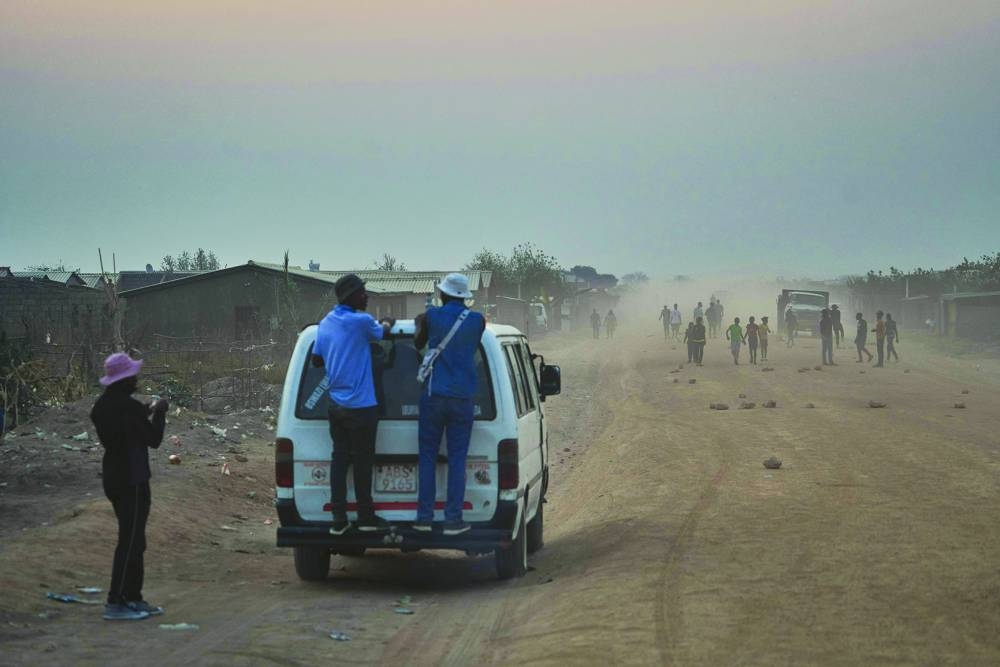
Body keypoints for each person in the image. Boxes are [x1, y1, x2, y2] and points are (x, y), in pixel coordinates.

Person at [312, 274, 395, 535]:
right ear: (352, 296)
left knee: (339, 459)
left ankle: (338, 518)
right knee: (362, 462)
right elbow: (383, 332)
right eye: (363, 293)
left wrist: (339, 356)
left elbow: (316, 360)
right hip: (361, 407)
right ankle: (366, 516)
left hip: (335, 405)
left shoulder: (326, 323)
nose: (366, 296)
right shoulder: (360, 322)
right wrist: (389, 321)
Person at [90, 352, 169, 621]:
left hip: (113, 476)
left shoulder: (101, 407)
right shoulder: (129, 408)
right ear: (125, 380)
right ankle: (118, 600)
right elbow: (153, 439)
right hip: (132, 479)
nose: (136, 380)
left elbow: (126, 422)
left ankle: (133, 597)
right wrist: (160, 413)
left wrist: (144, 409)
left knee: (133, 539)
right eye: (133, 376)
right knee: (131, 541)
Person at [413, 273, 486, 536]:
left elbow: (418, 343)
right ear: (464, 297)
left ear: (442, 294)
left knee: (428, 458)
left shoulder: (431, 316)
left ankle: (424, 518)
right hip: (462, 398)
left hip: (434, 396)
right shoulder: (478, 321)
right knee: (457, 460)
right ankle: (453, 520)